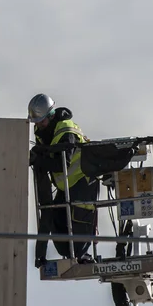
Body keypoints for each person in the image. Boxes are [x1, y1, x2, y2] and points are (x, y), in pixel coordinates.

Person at [28, 93, 99, 267]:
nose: (38, 126)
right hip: (65, 184)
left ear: (51, 116)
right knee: (56, 219)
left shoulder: (66, 131)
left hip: (82, 181)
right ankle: (72, 255)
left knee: (79, 219)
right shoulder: (42, 130)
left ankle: (82, 254)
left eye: (41, 121)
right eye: (35, 122)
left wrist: (38, 160)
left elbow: (62, 164)